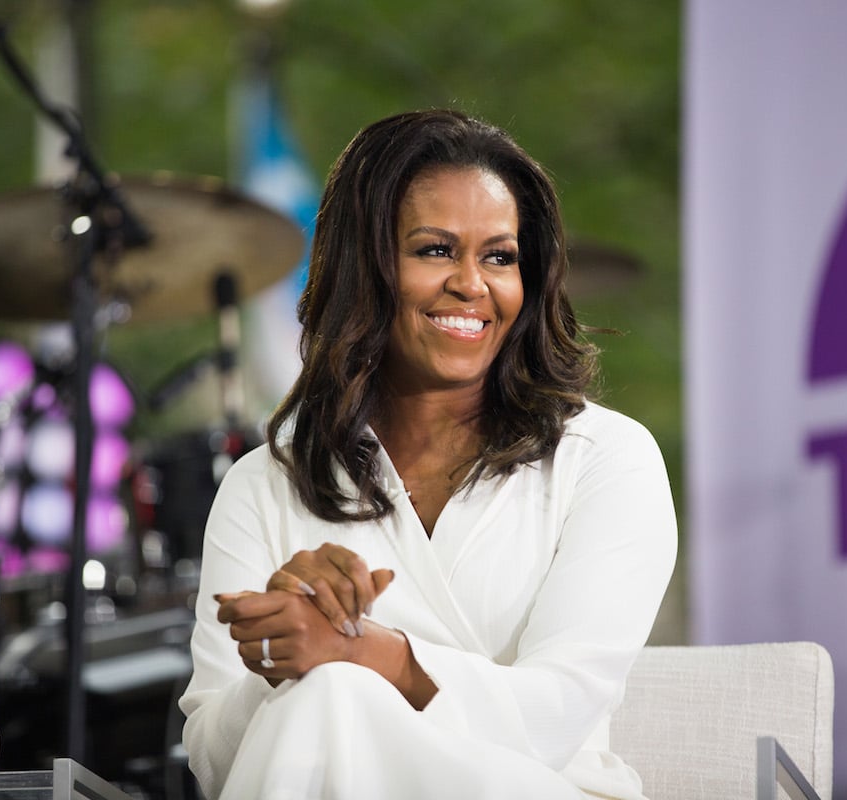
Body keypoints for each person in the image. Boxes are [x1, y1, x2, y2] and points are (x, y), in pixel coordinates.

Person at [178, 109, 677, 800]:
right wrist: (276, 664)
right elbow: (211, 762)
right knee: (320, 699)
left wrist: (361, 654)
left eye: (499, 256)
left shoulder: (607, 460)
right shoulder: (263, 484)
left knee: (333, 697)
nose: (472, 284)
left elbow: (554, 718)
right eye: (435, 250)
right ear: (364, 268)